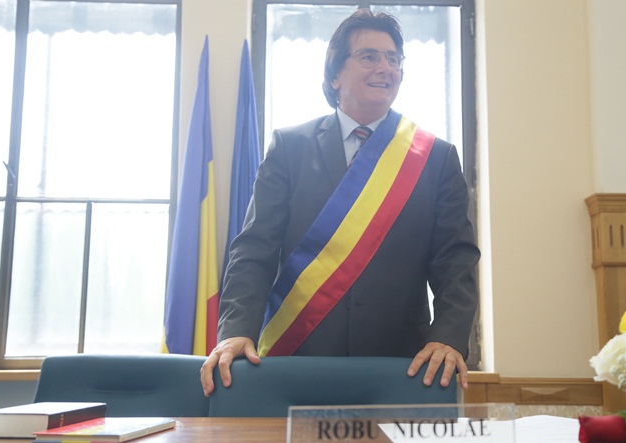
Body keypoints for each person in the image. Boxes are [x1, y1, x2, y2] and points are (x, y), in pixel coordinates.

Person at [200, 8, 480, 397]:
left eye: (393, 58)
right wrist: (236, 330)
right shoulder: (289, 147)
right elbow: (255, 248)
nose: (385, 67)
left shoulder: (435, 157)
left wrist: (448, 336)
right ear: (334, 75)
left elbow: (456, 259)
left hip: (402, 365)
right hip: (297, 356)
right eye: (369, 56)